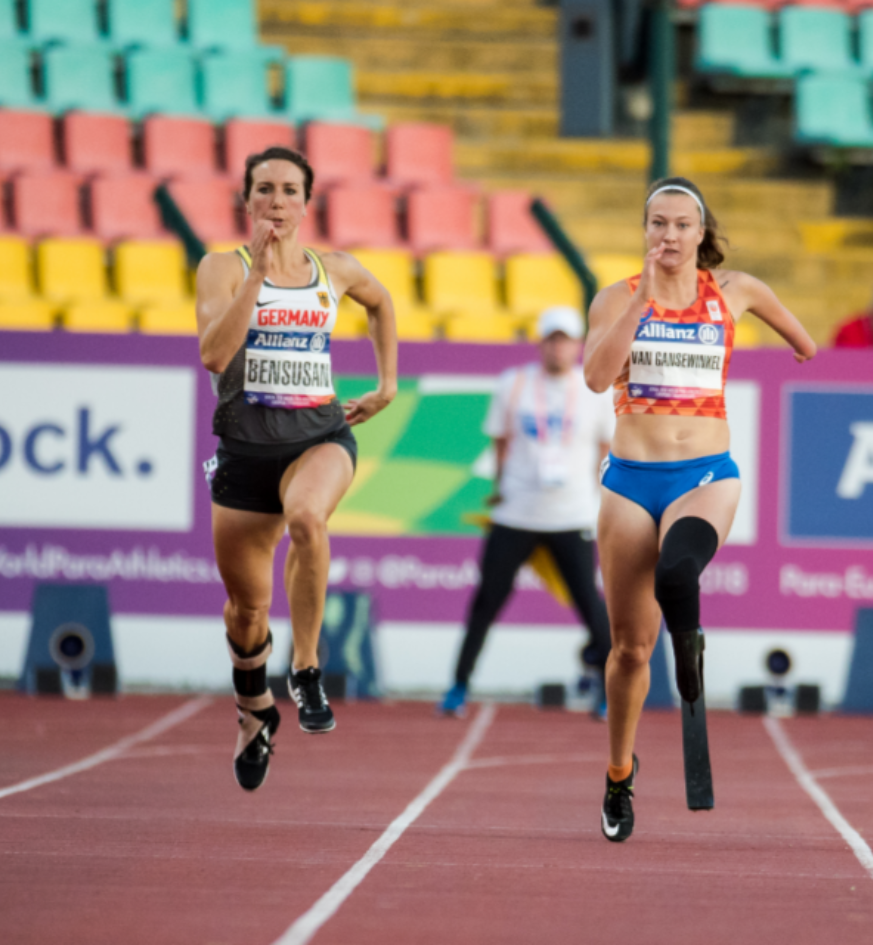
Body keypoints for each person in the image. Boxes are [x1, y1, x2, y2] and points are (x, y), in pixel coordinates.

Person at [583, 177, 816, 842]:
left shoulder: (733, 292)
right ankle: (619, 773)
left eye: (682, 225)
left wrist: (799, 346)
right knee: (629, 649)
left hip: (707, 473)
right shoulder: (615, 296)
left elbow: (804, 342)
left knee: (678, 574)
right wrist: (641, 306)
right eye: (658, 224)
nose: (669, 236)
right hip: (631, 480)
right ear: (645, 231)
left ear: (701, 231)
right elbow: (598, 378)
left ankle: (690, 662)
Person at [195, 146, 398, 792]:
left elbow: (382, 302)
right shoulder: (222, 268)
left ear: (306, 203)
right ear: (247, 201)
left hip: (319, 435)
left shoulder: (332, 269)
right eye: (264, 190)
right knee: (244, 612)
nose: (276, 201)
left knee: (309, 517)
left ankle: (306, 667)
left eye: (288, 190)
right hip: (245, 454)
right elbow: (213, 355)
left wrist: (388, 383)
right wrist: (256, 276)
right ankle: (253, 709)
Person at [438, 306, 616, 720]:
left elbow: (604, 450)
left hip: (570, 517)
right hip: (516, 513)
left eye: (566, 339)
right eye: (551, 339)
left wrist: (592, 498)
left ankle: (609, 694)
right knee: (486, 602)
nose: (558, 347)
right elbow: (500, 442)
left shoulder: (594, 390)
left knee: (590, 604)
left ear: (577, 345)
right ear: (541, 343)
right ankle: (458, 687)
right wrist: (500, 489)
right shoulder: (513, 383)